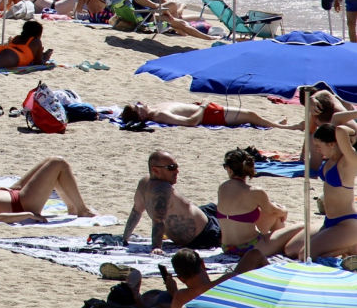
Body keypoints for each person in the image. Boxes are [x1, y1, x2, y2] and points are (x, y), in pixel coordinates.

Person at [282, 123, 357, 259]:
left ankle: (349, 247)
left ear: (331, 144)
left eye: (319, 146)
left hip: (347, 223)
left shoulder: (348, 161)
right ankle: (345, 246)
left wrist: (350, 134)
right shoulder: (329, 161)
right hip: (328, 221)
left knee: (305, 255)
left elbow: (340, 129)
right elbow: (338, 126)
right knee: (290, 249)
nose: (317, 150)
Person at [122, 150, 220, 251]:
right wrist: (156, 248)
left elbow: (136, 211)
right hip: (206, 232)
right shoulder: (161, 189)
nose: (177, 171)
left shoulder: (144, 183)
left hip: (202, 213)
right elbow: (157, 221)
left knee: (219, 205)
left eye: (176, 167)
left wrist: (125, 238)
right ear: (155, 170)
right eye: (171, 168)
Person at [214, 146, 288, 256]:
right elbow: (272, 210)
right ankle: (283, 250)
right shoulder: (255, 192)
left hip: (227, 248)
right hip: (250, 247)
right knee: (299, 226)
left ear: (229, 169)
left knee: (267, 212)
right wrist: (284, 211)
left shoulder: (222, 188)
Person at [120, 100, 299, 131]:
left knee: (250, 114)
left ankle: (272, 123)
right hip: (210, 114)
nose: (141, 103)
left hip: (206, 109)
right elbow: (190, 122)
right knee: (250, 115)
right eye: (138, 106)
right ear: (141, 116)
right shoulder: (160, 115)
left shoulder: (155, 108)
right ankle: (284, 127)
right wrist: (203, 107)